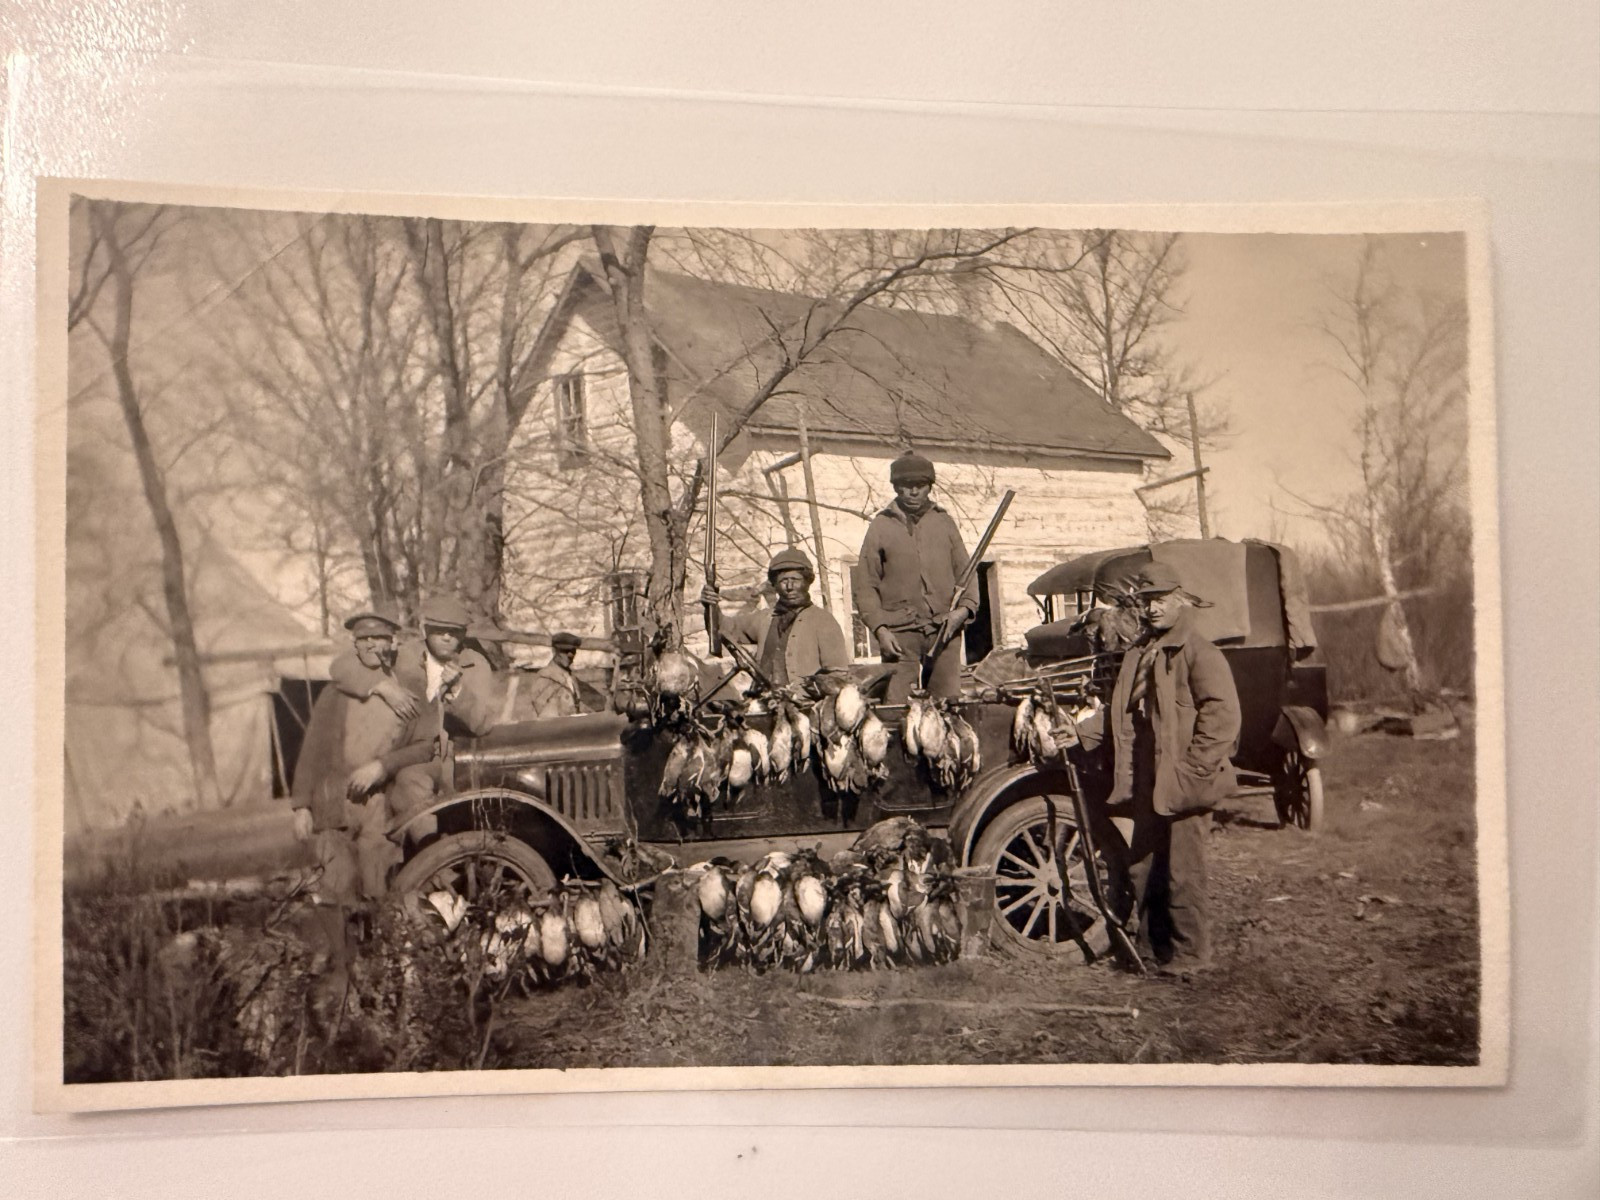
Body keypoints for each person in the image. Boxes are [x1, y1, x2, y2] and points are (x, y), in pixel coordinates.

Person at [1104, 562, 1241, 974]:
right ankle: (1152, 949)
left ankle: (1190, 957)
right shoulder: (1140, 654)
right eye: (1147, 601)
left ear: (1180, 599)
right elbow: (1122, 715)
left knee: (1184, 872)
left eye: (1161, 600)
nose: (1152, 609)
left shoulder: (1200, 651)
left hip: (1184, 781)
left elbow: (1223, 717)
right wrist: (1073, 735)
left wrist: (1194, 771)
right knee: (1144, 866)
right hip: (1149, 778)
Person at [289, 603, 413, 1002]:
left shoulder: (402, 689)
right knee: (335, 886)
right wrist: (301, 805)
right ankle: (342, 973)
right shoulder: (336, 692)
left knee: (379, 882)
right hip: (334, 801)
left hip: (378, 802)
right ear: (355, 645)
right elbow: (311, 748)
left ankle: (378, 971)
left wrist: (386, 767)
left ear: (392, 644)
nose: (375, 646)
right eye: (367, 640)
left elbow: (413, 745)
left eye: (382, 639)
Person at [358, 595, 500, 844]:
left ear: (463, 634)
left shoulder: (475, 664)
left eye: (454, 632)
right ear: (426, 630)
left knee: (414, 781)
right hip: (412, 753)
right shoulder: (403, 658)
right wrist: (380, 684)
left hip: (460, 760)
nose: (446, 638)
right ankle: (430, 857)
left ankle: (441, 860)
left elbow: (481, 724)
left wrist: (457, 692)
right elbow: (351, 663)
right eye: (439, 631)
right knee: (408, 782)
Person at [851, 451, 979, 702]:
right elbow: (865, 585)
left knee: (948, 706)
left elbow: (967, 573)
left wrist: (962, 611)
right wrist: (880, 629)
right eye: (905, 486)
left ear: (929, 487)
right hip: (899, 635)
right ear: (896, 487)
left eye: (919, 485)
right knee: (896, 706)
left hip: (944, 629)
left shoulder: (944, 523)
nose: (913, 492)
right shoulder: (881, 526)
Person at [700, 547, 851, 696]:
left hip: (805, 708)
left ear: (807, 582)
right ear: (775, 585)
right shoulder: (764, 619)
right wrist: (711, 606)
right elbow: (726, 629)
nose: (790, 587)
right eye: (784, 581)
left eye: (796, 580)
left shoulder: (823, 621)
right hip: (764, 702)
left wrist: (806, 692)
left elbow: (837, 676)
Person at [523, 631, 587, 718]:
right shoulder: (545, 679)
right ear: (554, 651)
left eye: (573, 651)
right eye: (565, 651)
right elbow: (545, 718)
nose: (570, 655)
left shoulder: (571, 677)